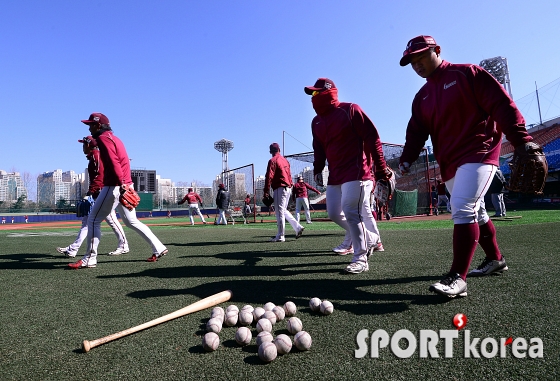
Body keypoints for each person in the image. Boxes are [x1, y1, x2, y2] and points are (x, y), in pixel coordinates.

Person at [398, 35, 535, 296]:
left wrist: (521, 140)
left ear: (437, 50)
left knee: (463, 208)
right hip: (449, 161)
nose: (417, 65)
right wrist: (406, 157)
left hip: (479, 152)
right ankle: (496, 259)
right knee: (478, 211)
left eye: (421, 57)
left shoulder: (467, 73)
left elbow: (501, 104)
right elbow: (416, 132)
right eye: (412, 61)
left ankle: (457, 278)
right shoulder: (422, 97)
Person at [305, 78, 390, 273]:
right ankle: (371, 238)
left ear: (329, 92)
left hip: (357, 171)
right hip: (336, 173)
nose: (314, 97)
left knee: (353, 211)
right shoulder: (316, 121)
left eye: (317, 93)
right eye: (313, 94)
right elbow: (318, 148)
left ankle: (360, 258)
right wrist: (318, 169)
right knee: (334, 213)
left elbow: (372, 137)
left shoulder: (350, 109)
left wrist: (380, 167)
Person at [68, 113, 168, 268]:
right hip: (125, 183)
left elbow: (114, 163)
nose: (89, 127)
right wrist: (126, 184)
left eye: (91, 125)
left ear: (99, 125)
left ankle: (90, 258)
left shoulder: (103, 139)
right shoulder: (116, 138)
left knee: (93, 220)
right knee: (131, 221)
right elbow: (124, 162)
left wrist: (121, 183)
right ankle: (159, 247)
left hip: (114, 185)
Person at [57, 136, 129, 257]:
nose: (82, 147)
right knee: (87, 222)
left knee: (110, 220)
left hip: (102, 193)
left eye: (84, 144)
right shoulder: (93, 157)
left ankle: (124, 245)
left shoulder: (96, 156)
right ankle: (73, 249)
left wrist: (89, 193)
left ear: (89, 145)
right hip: (98, 193)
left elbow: (99, 177)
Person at [264, 143, 304, 242]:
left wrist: (266, 191)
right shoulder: (285, 160)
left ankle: (281, 235)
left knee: (279, 212)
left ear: (270, 151)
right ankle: (298, 227)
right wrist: (291, 186)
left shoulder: (273, 160)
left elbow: (269, 176)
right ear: (279, 150)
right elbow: (289, 175)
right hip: (288, 187)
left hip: (280, 187)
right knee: (283, 210)